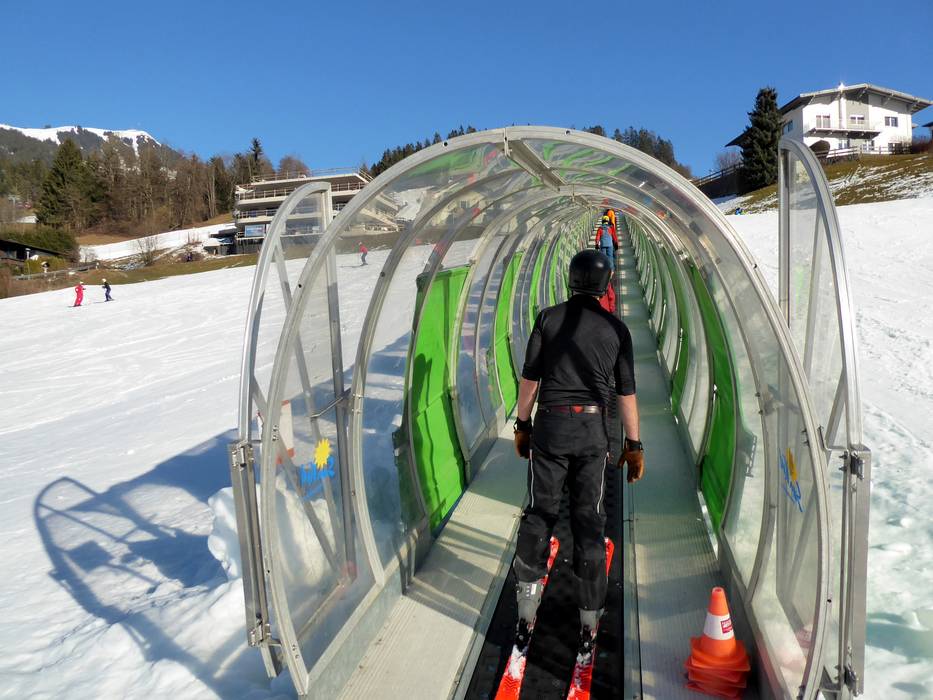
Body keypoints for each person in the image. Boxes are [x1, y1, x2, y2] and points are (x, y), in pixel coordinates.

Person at [512, 249, 644, 659]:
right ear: (606, 286)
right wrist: (634, 445)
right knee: (589, 521)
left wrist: (522, 425)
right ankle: (588, 624)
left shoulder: (547, 319)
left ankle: (525, 611)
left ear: (570, 279)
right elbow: (626, 394)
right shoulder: (617, 330)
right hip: (592, 432)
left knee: (540, 513)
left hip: (550, 428)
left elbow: (530, 380)